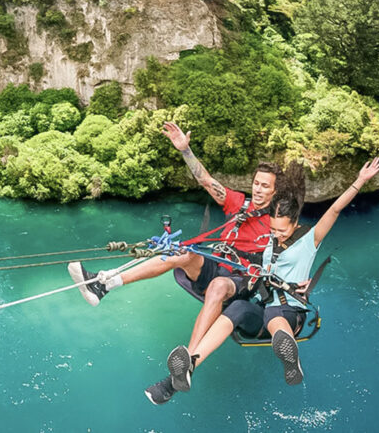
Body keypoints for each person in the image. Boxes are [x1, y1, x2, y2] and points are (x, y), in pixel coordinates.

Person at [145, 158, 379, 404]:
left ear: (295, 224)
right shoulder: (269, 242)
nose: (276, 235)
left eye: (282, 231)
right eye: (272, 230)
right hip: (264, 307)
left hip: (290, 312)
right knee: (239, 308)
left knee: (275, 316)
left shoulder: (309, 240)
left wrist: (360, 181)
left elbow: (333, 210)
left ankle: (290, 357)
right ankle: (188, 368)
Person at [67, 122, 281, 367]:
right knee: (181, 252)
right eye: (256, 183)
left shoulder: (277, 223)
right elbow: (206, 180)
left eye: (265, 186)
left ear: (275, 192)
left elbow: (291, 252)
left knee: (219, 285)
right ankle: (104, 285)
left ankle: (190, 358)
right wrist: (185, 150)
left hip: (240, 281)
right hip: (216, 265)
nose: (258, 189)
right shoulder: (238, 203)